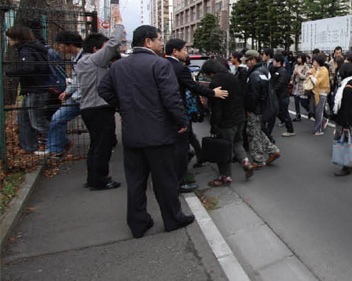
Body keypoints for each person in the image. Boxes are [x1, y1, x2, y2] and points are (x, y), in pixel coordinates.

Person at [98, 25, 195, 238]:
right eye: (159, 39)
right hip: (159, 134)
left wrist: (123, 107)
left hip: (132, 133)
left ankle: (138, 223)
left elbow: (103, 89)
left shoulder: (118, 66)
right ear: (148, 42)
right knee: (165, 181)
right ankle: (173, 218)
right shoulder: (159, 64)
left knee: (136, 182)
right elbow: (171, 98)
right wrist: (181, 121)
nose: (162, 43)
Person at [165, 39, 228, 193]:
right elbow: (193, 86)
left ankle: (171, 177)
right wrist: (213, 93)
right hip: (177, 112)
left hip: (162, 113)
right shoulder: (180, 69)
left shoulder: (159, 63)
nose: (186, 52)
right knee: (181, 148)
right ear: (175, 51)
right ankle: (180, 182)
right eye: (184, 50)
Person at [75, 6, 124, 190]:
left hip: (88, 108)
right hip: (99, 108)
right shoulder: (94, 60)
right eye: (103, 49)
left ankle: (93, 179)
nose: (107, 52)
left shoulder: (82, 61)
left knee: (95, 145)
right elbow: (113, 44)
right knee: (102, 147)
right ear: (96, 49)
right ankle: (100, 180)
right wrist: (118, 21)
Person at [202, 58, 253, 185]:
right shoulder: (232, 77)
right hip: (239, 116)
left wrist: (214, 125)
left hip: (226, 120)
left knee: (224, 149)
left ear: (211, 72)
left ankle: (225, 177)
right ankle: (246, 162)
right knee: (238, 143)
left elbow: (216, 107)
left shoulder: (216, 83)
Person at [5, 26, 50, 153]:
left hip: (35, 89)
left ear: (16, 38)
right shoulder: (33, 48)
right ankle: (29, 147)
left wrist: (10, 72)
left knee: (37, 122)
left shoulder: (26, 50)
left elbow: (28, 68)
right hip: (34, 89)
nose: (9, 41)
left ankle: (60, 141)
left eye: (10, 38)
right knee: (23, 119)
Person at [39, 30, 84, 157]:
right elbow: (77, 79)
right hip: (79, 97)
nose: (59, 47)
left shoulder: (84, 57)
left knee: (57, 118)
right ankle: (56, 147)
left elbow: (85, 80)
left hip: (82, 98)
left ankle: (56, 149)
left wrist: (73, 95)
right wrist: (67, 91)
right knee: (58, 118)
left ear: (69, 44)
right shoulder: (75, 57)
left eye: (60, 44)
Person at [243, 50, 280, 168]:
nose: (246, 63)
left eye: (247, 61)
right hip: (264, 107)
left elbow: (254, 95)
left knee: (253, 134)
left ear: (253, 60)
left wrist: (250, 108)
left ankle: (258, 160)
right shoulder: (264, 70)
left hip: (256, 109)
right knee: (258, 131)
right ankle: (273, 150)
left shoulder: (254, 75)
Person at [332, 63, 352, 177]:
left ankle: (347, 166)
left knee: (343, 142)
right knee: (350, 141)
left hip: (346, 121)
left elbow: (347, 108)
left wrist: (345, 125)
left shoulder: (347, 88)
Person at [271, 53, 295, 137]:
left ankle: (290, 130)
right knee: (276, 111)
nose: (272, 62)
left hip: (282, 96)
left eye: (274, 60)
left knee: (284, 113)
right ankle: (285, 123)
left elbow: (280, 83)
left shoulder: (283, 71)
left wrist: (272, 91)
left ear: (278, 62)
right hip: (277, 96)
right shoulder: (275, 69)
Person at [309, 54, 330, 135]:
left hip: (322, 93)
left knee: (319, 112)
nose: (313, 62)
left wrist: (311, 76)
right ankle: (324, 120)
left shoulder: (324, 70)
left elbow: (317, 82)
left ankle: (318, 130)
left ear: (318, 62)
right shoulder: (314, 69)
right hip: (314, 92)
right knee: (312, 110)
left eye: (314, 61)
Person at [291, 54, 310, 122]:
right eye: (298, 58)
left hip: (302, 86)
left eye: (300, 58)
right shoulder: (296, 66)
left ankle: (310, 110)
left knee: (303, 102)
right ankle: (298, 115)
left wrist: (298, 73)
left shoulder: (306, 67)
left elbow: (305, 77)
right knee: (296, 101)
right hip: (296, 85)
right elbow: (293, 75)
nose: (298, 59)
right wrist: (293, 75)